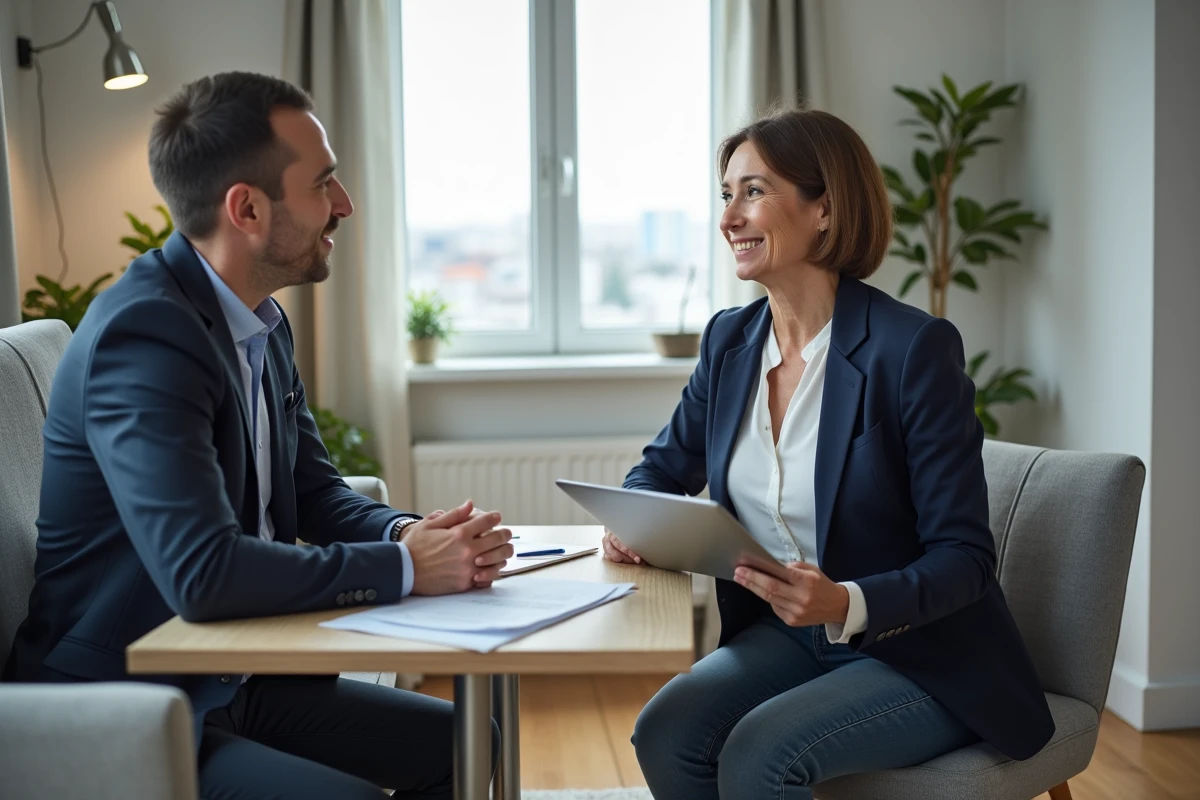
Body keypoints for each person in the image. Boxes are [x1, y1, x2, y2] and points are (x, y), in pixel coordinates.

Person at [2, 72, 513, 799]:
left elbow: (315, 494)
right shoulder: (144, 335)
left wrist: (407, 534)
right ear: (246, 208)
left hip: (225, 674)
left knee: (464, 744)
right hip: (130, 699)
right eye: (323, 183)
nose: (345, 205)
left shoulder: (259, 326)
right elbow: (203, 576)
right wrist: (407, 571)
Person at [605, 109, 1054, 799]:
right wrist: (639, 521)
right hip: (786, 638)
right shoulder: (729, 342)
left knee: (759, 754)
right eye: (726, 194)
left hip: (921, 653)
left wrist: (846, 600)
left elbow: (964, 560)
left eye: (752, 191)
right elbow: (661, 468)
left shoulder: (912, 350)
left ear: (825, 208)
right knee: (665, 730)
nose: (730, 217)